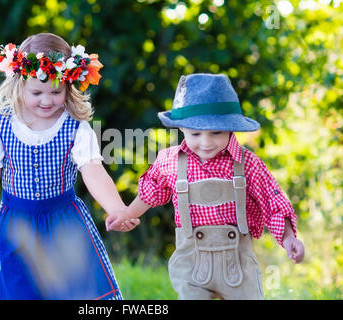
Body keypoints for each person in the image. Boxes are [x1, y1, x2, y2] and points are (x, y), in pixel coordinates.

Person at [106, 73, 305, 300]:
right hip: (191, 263)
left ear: (231, 128)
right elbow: (151, 192)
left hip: (239, 263)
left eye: (216, 132)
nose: (206, 142)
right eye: (196, 133)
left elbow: (273, 201)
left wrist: (288, 238)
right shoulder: (170, 161)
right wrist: (127, 214)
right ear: (181, 128)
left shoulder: (247, 164)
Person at [0, 33, 134, 300]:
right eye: (37, 92)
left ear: (69, 87)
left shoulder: (76, 128)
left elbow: (93, 171)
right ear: (19, 85)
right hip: (16, 225)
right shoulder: (2, 126)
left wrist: (117, 209)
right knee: (19, 290)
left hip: (64, 223)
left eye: (56, 92)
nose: (47, 101)